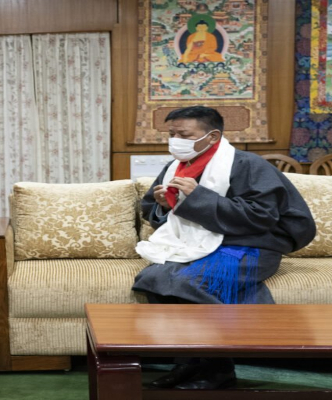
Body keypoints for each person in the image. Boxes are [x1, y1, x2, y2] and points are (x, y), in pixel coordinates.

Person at [132, 106, 316, 390]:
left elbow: (262, 216)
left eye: (183, 134)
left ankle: (219, 369)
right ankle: (188, 363)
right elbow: (154, 212)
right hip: (196, 244)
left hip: (250, 246)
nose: (175, 140)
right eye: (171, 134)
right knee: (152, 278)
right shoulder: (174, 167)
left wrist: (197, 197)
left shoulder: (248, 165)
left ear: (212, 135)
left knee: (187, 281)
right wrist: (164, 205)